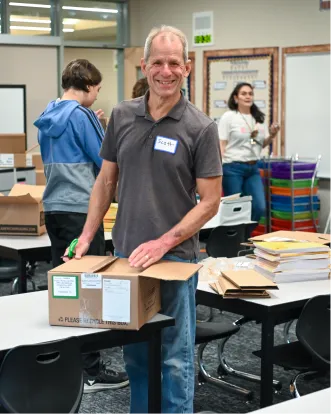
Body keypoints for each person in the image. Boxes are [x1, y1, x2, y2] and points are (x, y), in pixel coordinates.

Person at [64, 26, 223, 413]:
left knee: (174, 357)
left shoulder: (200, 127)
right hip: (126, 258)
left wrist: (163, 242)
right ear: (144, 65)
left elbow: (211, 201)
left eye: (173, 63)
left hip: (175, 262)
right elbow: (106, 179)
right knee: (135, 355)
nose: (165, 71)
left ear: (186, 68)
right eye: (157, 62)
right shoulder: (121, 115)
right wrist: (88, 236)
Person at [34, 58, 128, 394]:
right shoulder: (82, 116)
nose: (97, 95)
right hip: (81, 211)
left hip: (55, 207)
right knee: (90, 292)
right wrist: (99, 130)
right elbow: (103, 159)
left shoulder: (50, 113)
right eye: (98, 89)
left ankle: (66, 363)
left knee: (65, 289)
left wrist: (93, 125)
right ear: (88, 85)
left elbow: (69, 143)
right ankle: (91, 371)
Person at [218, 82, 280, 225]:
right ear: (236, 98)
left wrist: (272, 135)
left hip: (253, 168)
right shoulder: (229, 117)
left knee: (259, 207)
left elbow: (259, 144)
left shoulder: (257, 118)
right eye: (243, 94)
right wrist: (217, 169)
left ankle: (244, 238)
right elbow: (222, 144)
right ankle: (232, 242)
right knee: (235, 210)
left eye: (250, 93)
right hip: (232, 168)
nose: (248, 96)